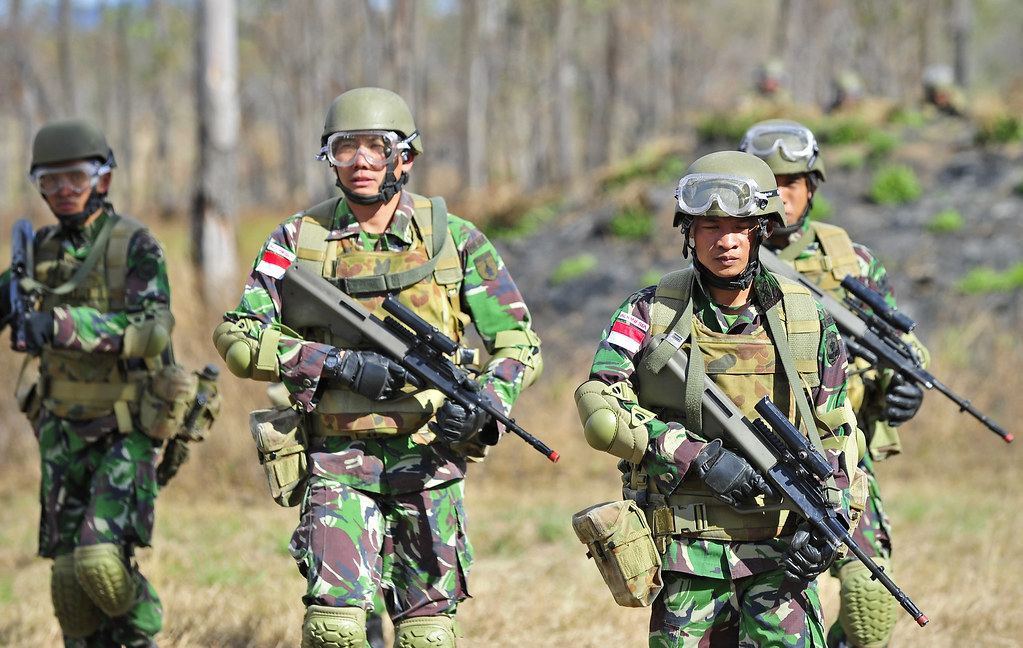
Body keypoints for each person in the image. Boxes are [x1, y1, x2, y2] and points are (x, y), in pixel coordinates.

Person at [213, 87, 542, 648]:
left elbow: (519, 343)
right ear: (329, 157)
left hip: (430, 463)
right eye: (346, 148)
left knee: (427, 638)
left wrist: (489, 402)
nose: (361, 161)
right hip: (336, 460)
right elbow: (238, 335)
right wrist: (333, 363)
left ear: (405, 157)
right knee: (334, 631)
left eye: (377, 147)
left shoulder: (456, 241)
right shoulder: (296, 240)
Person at [575, 150, 862, 647]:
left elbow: (837, 430)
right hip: (688, 556)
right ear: (688, 231)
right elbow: (601, 402)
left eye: (739, 225)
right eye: (709, 225)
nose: (725, 241)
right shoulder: (651, 311)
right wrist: (694, 455)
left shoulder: (806, 318)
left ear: (762, 229)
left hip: (780, 559)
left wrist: (832, 522)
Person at [739, 118, 928, 648]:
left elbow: (901, 343)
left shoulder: (850, 261)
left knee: (869, 607)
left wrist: (904, 384)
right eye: (767, 182)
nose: (778, 194)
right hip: (751, 454)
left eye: (790, 183)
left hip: (839, 450)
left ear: (812, 188)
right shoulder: (723, 258)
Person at [0, 118, 172, 647]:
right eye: (49, 182)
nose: (63, 192)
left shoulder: (134, 244)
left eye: (74, 178)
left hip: (123, 428)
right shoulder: (40, 251)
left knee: (100, 562)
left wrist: (55, 324)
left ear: (103, 178)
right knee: (68, 585)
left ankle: (146, 629)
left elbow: (151, 330)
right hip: (60, 432)